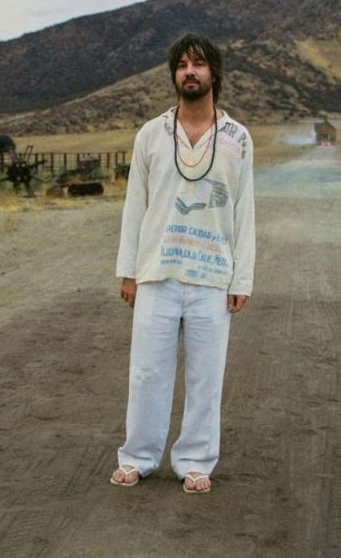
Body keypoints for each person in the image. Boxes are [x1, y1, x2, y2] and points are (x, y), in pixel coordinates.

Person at [110, 33, 255, 494]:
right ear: (175, 75)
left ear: (214, 73)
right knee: (147, 371)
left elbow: (244, 210)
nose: (190, 72)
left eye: (198, 64)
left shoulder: (237, 138)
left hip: (212, 275)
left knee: (205, 375)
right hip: (157, 272)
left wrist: (242, 278)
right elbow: (135, 206)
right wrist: (129, 272)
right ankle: (138, 457)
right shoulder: (151, 135)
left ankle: (195, 460)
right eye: (182, 65)